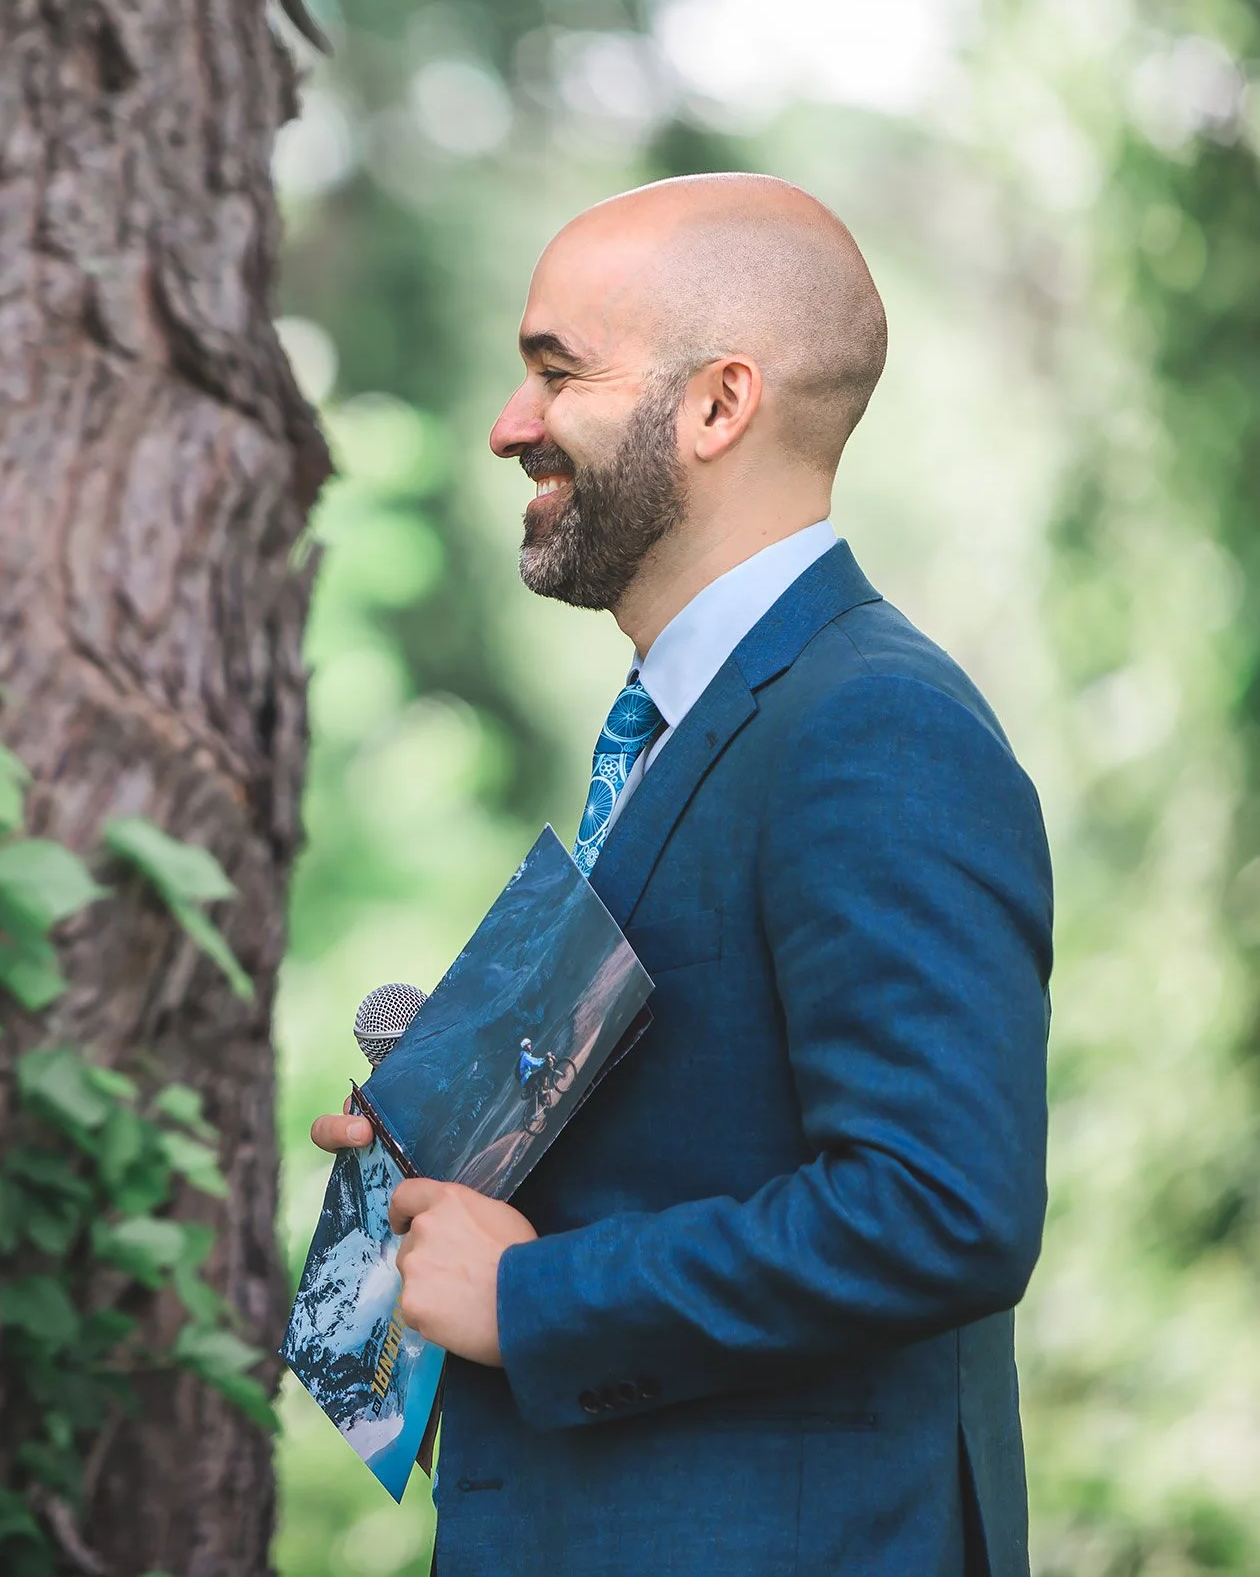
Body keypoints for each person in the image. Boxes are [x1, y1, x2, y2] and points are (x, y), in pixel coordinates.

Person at [313, 174, 1052, 1575]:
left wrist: (534, 1292)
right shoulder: (695, 721)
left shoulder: (875, 724)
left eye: (556, 371)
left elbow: (939, 1205)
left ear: (718, 406)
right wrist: (457, 1137)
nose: (507, 423)